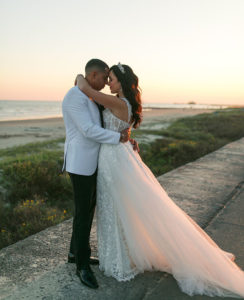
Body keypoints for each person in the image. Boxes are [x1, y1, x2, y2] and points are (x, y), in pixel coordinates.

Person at [76, 63, 244, 298]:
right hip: (116, 156)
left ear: (121, 83)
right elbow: (122, 126)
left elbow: (86, 90)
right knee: (117, 207)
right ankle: (121, 257)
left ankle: (120, 262)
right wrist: (129, 138)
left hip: (113, 158)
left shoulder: (116, 101)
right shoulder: (124, 103)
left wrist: (78, 76)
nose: (108, 83)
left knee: (115, 208)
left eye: (111, 79)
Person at [62, 59, 139, 289]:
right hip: (81, 163)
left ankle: (75, 253)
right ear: (93, 75)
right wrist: (119, 138)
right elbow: (88, 130)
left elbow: (110, 121)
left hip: (98, 161)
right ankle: (82, 266)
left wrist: (125, 138)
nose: (106, 83)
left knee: (87, 210)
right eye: (104, 78)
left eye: (110, 79)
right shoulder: (75, 96)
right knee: (83, 214)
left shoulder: (91, 94)